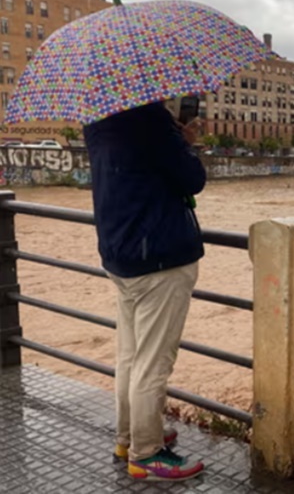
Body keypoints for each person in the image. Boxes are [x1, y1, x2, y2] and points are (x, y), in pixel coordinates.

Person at [83, 101, 206, 481]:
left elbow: (136, 169)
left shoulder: (96, 115)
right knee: (153, 363)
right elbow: (191, 179)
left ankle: (129, 436)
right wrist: (186, 140)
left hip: (121, 253)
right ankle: (147, 453)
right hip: (159, 256)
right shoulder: (150, 118)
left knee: (131, 356)